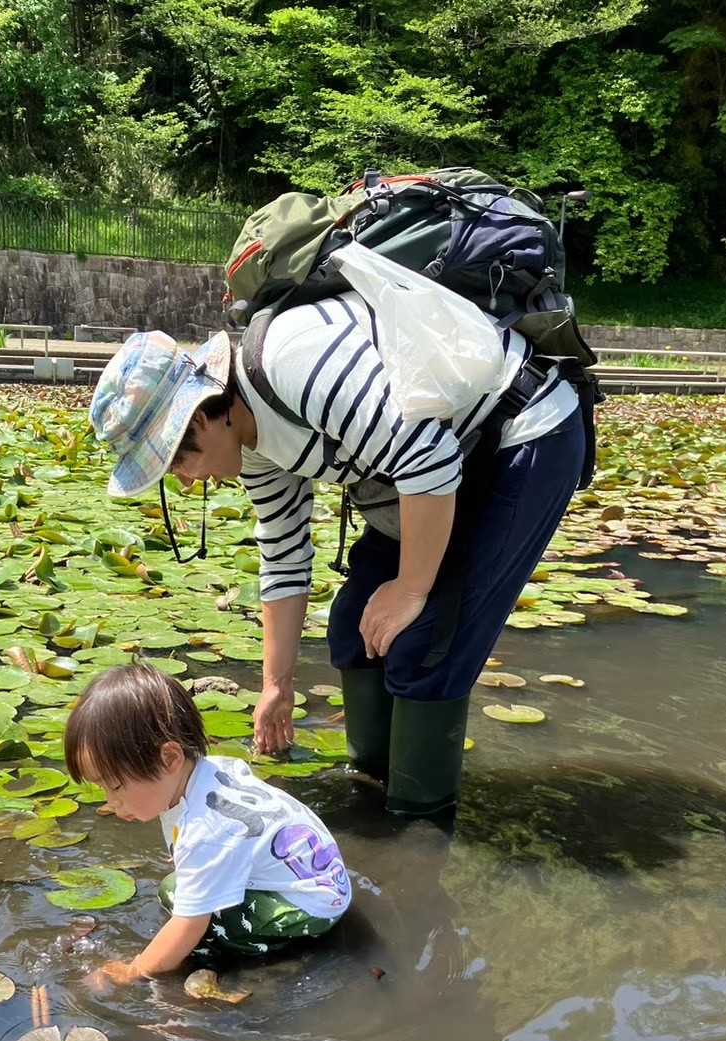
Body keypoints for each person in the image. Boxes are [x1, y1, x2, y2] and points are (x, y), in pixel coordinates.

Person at [87, 293, 587, 819]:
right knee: (351, 625)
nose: (185, 480)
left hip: (522, 433)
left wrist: (411, 590)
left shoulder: (293, 362)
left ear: (200, 416)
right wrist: (276, 686)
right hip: (440, 467)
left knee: (427, 644)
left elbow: (428, 457)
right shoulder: (252, 443)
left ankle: (418, 826)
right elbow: (284, 550)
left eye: (175, 459)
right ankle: (370, 792)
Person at [63, 663, 351, 983]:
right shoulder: (213, 769)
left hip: (309, 909)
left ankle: (274, 964)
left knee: (190, 914)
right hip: (321, 874)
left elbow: (188, 924)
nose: (110, 800)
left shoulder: (206, 832)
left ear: (169, 758)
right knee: (180, 886)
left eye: (114, 786)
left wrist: (134, 971)